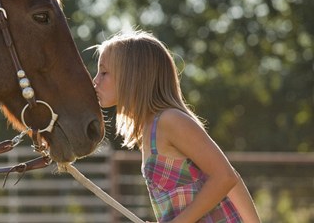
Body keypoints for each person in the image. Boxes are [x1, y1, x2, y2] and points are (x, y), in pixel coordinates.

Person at [92, 31, 260, 223]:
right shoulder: (149, 130)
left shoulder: (169, 120)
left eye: (104, 73)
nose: (95, 81)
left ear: (133, 76)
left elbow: (226, 176)